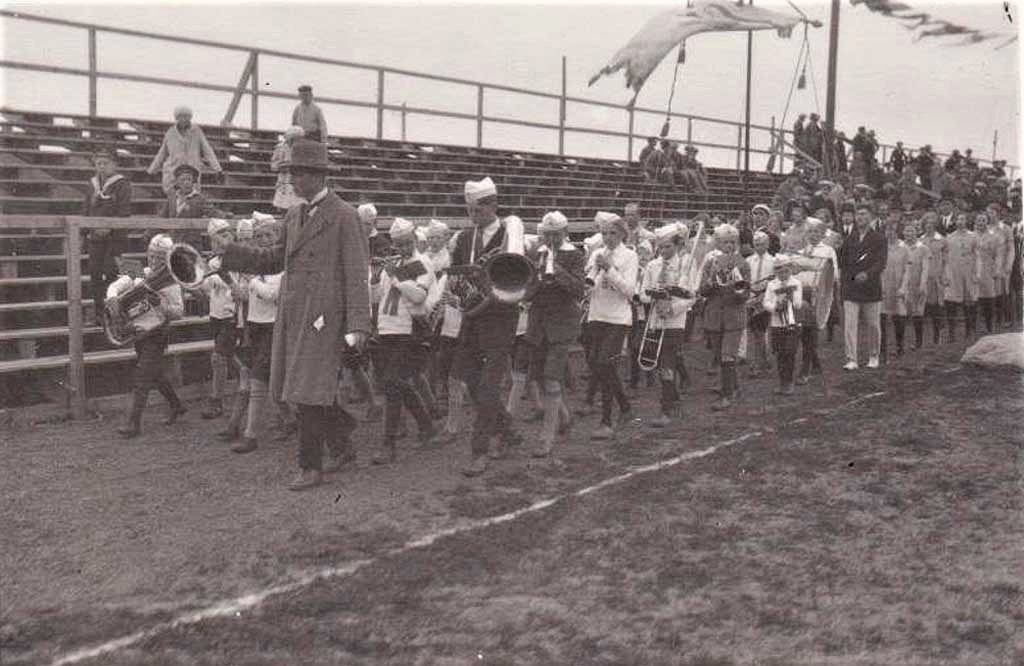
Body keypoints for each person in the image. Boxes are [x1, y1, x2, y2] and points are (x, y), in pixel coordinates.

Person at [208, 139, 371, 491]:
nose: (292, 181)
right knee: (297, 388)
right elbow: (274, 258)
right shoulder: (294, 214)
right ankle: (342, 439)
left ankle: (310, 467)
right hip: (294, 315)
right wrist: (232, 252)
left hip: (324, 319)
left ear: (316, 175)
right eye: (291, 174)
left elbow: (358, 273)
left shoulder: (345, 215)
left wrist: (358, 325)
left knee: (307, 390)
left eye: (297, 174)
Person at [446, 177, 525, 476]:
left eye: (478, 209)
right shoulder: (464, 239)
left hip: (501, 318)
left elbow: (520, 277)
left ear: (493, 205)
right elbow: (454, 275)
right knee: (469, 378)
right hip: (473, 315)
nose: (473, 216)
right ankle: (508, 431)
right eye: (470, 210)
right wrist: (457, 288)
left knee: (489, 385)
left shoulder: (511, 233)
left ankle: (479, 451)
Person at [369, 218, 440, 464]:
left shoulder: (422, 264)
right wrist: (377, 278)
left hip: (409, 331)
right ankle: (427, 426)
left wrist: (396, 277)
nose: (403, 248)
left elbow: (419, 295)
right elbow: (378, 297)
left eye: (407, 243)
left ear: (415, 241)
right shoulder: (395, 264)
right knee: (396, 383)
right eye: (399, 245)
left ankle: (388, 445)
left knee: (392, 383)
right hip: (387, 329)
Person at [109, 234, 186, 438]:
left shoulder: (172, 282)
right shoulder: (140, 272)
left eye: (160, 258)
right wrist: (113, 297)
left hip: (158, 332)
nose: (154, 261)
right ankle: (176, 405)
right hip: (139, 330)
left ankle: (133, 423)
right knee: (155, 374)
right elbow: (119, 284)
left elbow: (179, 311)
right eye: (151, 256)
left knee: (143, 375)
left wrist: (159, 303)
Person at [524, 211, 586, 456]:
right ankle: (565, 416)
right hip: (538, 323)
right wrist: (537, 276)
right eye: (546, 234)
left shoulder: (575, 255)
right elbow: (527, 292)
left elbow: (579, 290)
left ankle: (546, 438)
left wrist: (556, 269)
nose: (550, 239)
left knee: (550, 377)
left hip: (562, 324)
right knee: (539, 376)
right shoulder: (535, 254)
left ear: (565, 233)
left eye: (555, 235)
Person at [226, 217, 289, 455]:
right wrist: (238, 290)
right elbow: (250, 296)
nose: (263, 241)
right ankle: (291, 419)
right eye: (259, 237)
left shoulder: (281, 266)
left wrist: (251, 282)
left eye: (268, 236)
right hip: (255, 326)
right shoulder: (257, 266)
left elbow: (273, 295)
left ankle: (251, 435)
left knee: (258, 381)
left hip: (274, 327)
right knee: (271, 381)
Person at [585, 212, 639, 438]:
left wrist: (609, 269)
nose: (608, 238)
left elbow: (629, 291)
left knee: (605, 363)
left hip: (618, 317)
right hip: (597, 314)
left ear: (622, 234)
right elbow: (589, 286)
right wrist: (594, 274)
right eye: (604, 233)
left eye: (613, 233)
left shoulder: (630, 256)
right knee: (597, 365)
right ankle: (625, 407)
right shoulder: (597, 253)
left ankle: (606, 420)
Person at [639, 223, 696, 426]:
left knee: (666, 364)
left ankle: (666, 410)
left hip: (675, 322)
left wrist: (672, 308)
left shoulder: (685, 265)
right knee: (658, 364)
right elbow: (642, 293)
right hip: (655, 320)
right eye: (661, 247)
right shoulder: (653, 266)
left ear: (677, 245)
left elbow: (691, 297)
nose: (663, 252)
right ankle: (675, 400)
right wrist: (653, 297)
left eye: (668, 247)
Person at [699, 224, 750, 410]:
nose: (728, 246)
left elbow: (744, 295)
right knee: (721, 355)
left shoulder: (743, 264)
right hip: (714, 315)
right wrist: (712, 281)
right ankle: (733, 387)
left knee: (728, 354)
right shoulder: (710, 263)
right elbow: (702, 291)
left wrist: (735, 285)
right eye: (724, 242)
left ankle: (726, 396)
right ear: (717, 244)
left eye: (732, 242)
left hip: (734, 316)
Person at [82, 149, 132, 320]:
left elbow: (124, 211)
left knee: (112, 274)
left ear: (115, 165)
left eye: (106, 163)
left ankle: (114, 314)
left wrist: (110, 228)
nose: (101, 167)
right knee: (95, 274)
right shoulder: (92, 184)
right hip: (95, 238)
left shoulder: (122, 184)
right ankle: (99, 313)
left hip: (114, 238)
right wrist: (87, 230)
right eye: (98, 163)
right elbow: (86, 210)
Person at [198, 219, 241, 419]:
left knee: (218, 358)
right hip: (216, 315)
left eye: (225, 236)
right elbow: (206, 290)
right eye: (215, 240)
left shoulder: (241, 258)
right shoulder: (212, 262)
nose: (220, 243)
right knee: (228, 358)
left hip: (231, 315)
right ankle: (251, 384)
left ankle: (216, 401)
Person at [838, 204, 887, 370]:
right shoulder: (849, 239)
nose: (860, 218)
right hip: (851, 289)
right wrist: (847, 280)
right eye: (858, 214)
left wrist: (868, 274)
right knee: (850, 325)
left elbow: (881, 262)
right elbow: (843, 263)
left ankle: (874, 356)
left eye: (864, 214)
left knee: (873, 325)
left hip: (871, 288)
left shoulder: (879, 238)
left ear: (871, 217)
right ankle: (851, 359)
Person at [796, 219, 837, 382]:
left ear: (822, 234)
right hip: (802, 294)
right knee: (803, 331)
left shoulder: (828, 251)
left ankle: (805, 370)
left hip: (819, 295)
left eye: (816, 232)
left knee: (810, 330)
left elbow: (832, 275)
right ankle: (816, 363)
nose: (813, 235)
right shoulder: (800, 251)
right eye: (810, 231)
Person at [147, 106, 221, 195]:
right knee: (174, 199)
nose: (184, 119)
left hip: (191, 171)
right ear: (177, 118)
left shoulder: (196, 131)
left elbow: (207, 150)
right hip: (173, 171)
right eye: (181, 116)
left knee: (191, 198)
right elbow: (162, 153)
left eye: (187, 116)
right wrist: (151, 170)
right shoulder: (170, 133)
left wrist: (217, 168)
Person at [763, 254, 802, 395]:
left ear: (790, 270)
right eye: (779, 271)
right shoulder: (772, 284)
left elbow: (798, 305)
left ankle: (789, 382)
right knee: (779, 354)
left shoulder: (797, 283)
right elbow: (766, 303)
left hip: (793, 324)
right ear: (775, 272)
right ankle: (782, 382)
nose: (783, 274)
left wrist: (791, 298)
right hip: (777, 324)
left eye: (785, 271)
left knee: (789, 353)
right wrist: (775, 306)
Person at [942, 212, 980, 342]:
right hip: (954, 273)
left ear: (966, 221)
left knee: (969, 302)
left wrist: (977, 273)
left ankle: (970, 330)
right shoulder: (949, 238)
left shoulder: (973, 236)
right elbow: (945, 258)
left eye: (962, 219)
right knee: (951, 301)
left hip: (969, 273)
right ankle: (951, 332)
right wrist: (946, 274)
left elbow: (978, 256)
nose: (960, 221)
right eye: (958, 219)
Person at [745, 230, 775, 377]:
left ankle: (759, 363)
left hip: (765, 299)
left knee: (761, 331)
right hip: (751, 299)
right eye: (756, 244)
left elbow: (774, 282)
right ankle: (762, 361)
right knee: (755, 332)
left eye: (762, 244)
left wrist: (764, 295)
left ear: (768, 244)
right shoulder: (749, 261)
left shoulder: (773, 261)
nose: (759, 247)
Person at [879, 219, 910, 361]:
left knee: (898, 317)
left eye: (893, 230)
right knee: (881, 317)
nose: (890, 233)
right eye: (888, 230)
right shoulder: (880, 247)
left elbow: (907, 270)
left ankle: (899, 346)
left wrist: (903, 287)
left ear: (898, 232)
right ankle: (882, 349)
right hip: (883, 286)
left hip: (898, 287)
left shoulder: (904, 248)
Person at [901, 219, 931, 350]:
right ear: (903, 232)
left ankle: (918, 342)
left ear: (916, 233)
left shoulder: (923, 248)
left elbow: (925, 268)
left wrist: (922, 284)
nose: (909, 233)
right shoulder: (900, 246)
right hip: (902, 285)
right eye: (907, 231)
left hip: (917, 283)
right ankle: (901, 343)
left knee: (917, 313)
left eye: (911, 231)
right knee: (901, 313)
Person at [159, 164, 229, 219]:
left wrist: (226, 215)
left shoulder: (199, 199)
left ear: (193, 181)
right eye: (182, 180)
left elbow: (213, 212)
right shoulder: (172, 198)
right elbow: (162, 217)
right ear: (177, 182)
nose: (186, 183)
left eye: (189, 179)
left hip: (191, 236)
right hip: (173, 236)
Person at [920, 212, 947, 344]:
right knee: (923, 308)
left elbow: (946, 260)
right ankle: (922, 339)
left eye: (931, 224)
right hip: (922, 278)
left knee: (936, 307)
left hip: (936, 277)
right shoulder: (920, 240)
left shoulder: (942, 240)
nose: (929, 226)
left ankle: (937, 337)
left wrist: (944, 275)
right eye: (926, 224)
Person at [974, 211, 1001, 334]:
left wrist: (996, 270)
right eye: (979, 220)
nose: (981, 223)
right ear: (975, 222)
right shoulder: (971, 236)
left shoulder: (993, 237)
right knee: (974, 298)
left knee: (988, 298)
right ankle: (974, 327)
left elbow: (998, 255)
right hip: (972, 270)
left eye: (983, 220)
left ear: (987, 222)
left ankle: (990, 326)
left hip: (988, 269)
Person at [272, 126, 306, 210]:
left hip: (299, 181)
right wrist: (284, 166)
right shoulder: (280, 148)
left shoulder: (304, 148)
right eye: (294, 139)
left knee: (300, 206)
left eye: (299, 139)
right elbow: (273, 166)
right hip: (284, 181)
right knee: (285, 206)